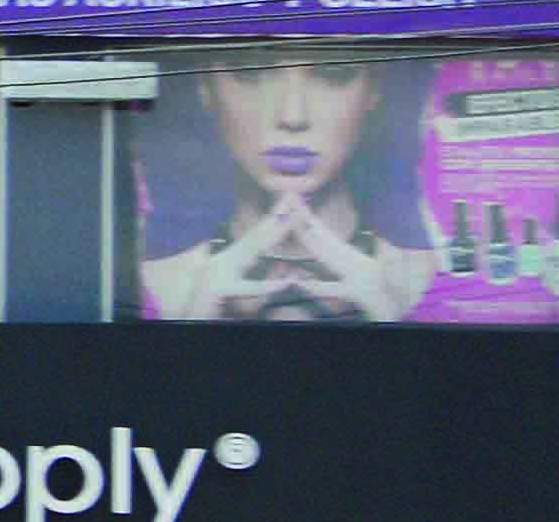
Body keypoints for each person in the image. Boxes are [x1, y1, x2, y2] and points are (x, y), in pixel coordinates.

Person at [136, 53, 439, 325]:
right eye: (249, 69)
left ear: (375, 89)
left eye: (334, 71)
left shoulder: (427, 280)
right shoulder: (155, 284)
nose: (292, 116)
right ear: (205, 85)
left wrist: (393, 327)